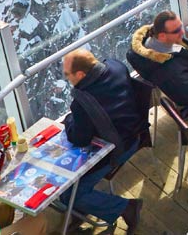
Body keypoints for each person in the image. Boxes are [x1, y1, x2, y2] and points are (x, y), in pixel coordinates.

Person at [61, 49, 144, 232]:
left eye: (67, 74)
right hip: (136, 132)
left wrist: (68, 120)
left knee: (69, 194)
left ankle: (126, 208)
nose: (66, 78)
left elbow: (79, 138)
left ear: (80, 75)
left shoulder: (83, 101)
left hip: (120, 148)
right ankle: (86, 209)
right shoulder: (116, 66)